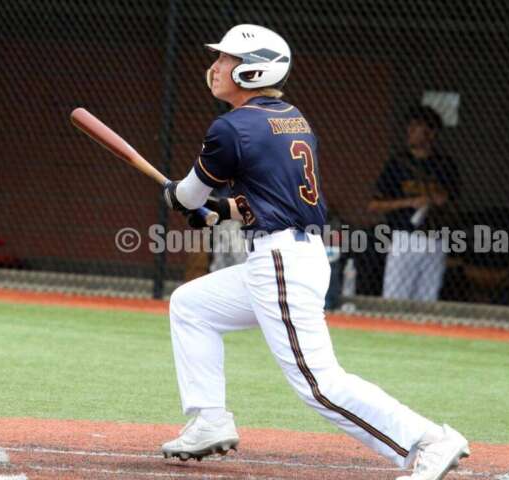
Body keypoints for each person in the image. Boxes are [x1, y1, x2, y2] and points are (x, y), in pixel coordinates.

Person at [159, 24, 469, 480]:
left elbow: (187, 195)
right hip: (291, 253)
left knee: (318, 383)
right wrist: (219, 209)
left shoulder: (231, 127)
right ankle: (209, 419)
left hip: (281, 261)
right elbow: (267, 198)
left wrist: (178, 197)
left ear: (252, 70)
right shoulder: (291, 116)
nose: (217, 66)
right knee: (191, 306)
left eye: (227, 59)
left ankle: (426, 440)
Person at [367, 106, 456, 302]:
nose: (410, 132)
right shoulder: (397, 164)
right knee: (395, 296)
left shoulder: (445, 165)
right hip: (405, 236)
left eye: (417, 127)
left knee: (428, 298)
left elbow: (453, 200)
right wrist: (410, 202)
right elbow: (374, 205)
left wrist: (438, 198)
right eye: (410, 126)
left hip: (436, 238)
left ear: (431, 133)